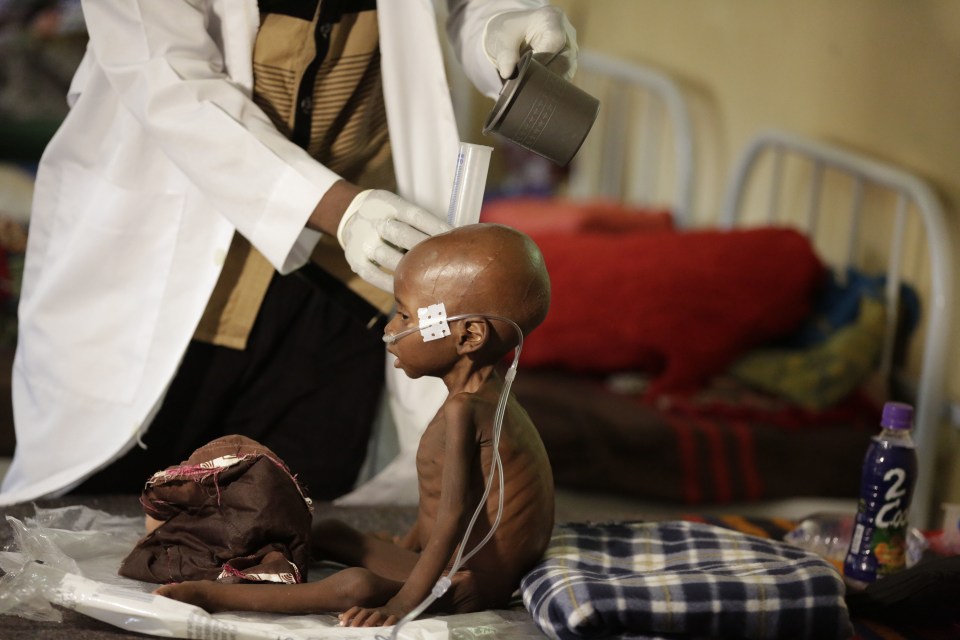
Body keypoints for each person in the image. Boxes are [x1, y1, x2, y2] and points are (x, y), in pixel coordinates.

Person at [0, 0, 579, 505]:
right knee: (109, 515)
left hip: (340, 285)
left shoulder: (475, 412)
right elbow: (166, 76)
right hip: (175, 262)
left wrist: (497, 24)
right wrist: (337, 208)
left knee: (297, 517)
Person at [154, 223, 555, 628]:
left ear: (468, 336)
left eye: (403, 315)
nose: (389, 331)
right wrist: (407, 546)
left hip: (467, 581)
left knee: (355, 586)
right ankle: (243, 560)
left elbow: (452, 519)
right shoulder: (489, 397)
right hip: (458, 562)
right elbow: (468, 498)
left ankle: (212, 594)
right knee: (332, 532)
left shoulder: (465, 411)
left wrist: (403, 603)